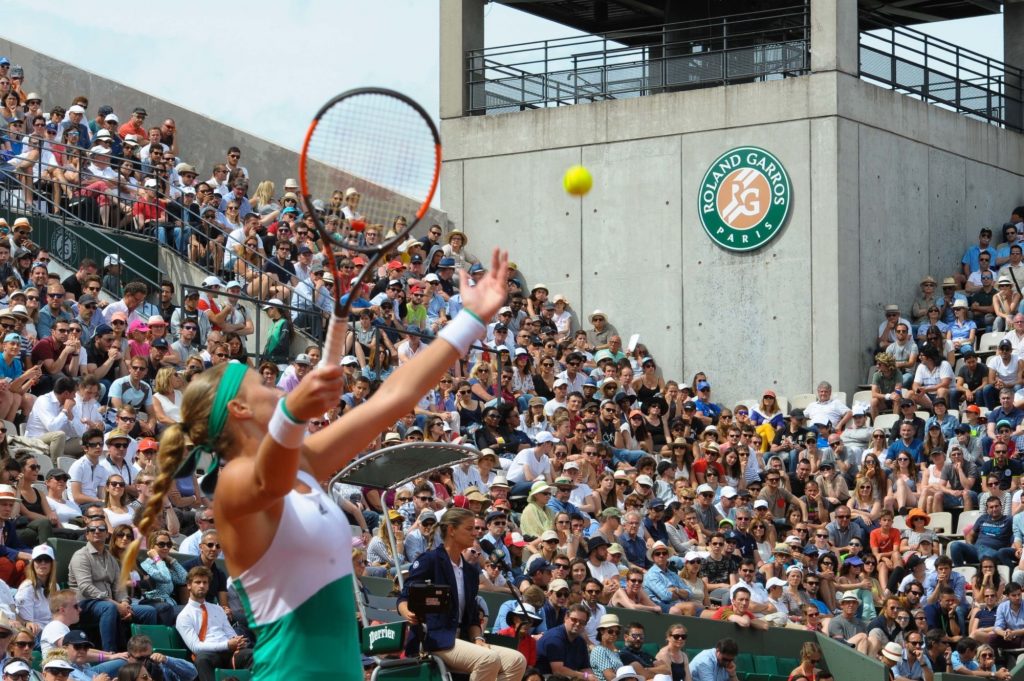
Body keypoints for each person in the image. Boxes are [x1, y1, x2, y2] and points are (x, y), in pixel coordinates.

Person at [123, 250, 510, 680]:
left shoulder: (301, 461)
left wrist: (471, 320)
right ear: (239, 409)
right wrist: (294, 414)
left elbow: (393, 398)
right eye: (261, 384)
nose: (272, 385)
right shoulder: (233, 486)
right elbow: (269, 476)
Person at [69, 513, 157, 652]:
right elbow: (85, 588)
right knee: (108, 608)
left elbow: (119, 586)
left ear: (106, 534)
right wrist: (116, 604)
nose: (97, 531)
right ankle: (110, 652)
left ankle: (144, 653)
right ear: (87, 535)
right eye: (92, 529)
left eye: (101, 529)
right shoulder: (81, 556)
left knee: (149, 612)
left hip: (110, 602)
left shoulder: (110, 558)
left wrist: (125, 603)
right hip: (84, 604)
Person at [175, 566, 251, 681]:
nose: (202, 585)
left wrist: (238, 641)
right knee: (202, 659)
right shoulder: (184, 616)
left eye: (205, 582)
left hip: (229, 653)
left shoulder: (218, 609)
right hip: (210, 655)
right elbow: (196, 647)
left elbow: (230, 633)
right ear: (189, 585)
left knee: (253, 655)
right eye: (198, 582)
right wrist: (227, 645)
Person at [535, 605, 593, 678]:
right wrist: (585, 676)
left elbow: (585, 668)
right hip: (545, 677)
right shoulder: (555, 638)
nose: (578, 624)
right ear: (566, 617)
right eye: (574, 620)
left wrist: (591, 677)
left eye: (582, 622)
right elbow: (558, 671)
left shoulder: (580, 641)